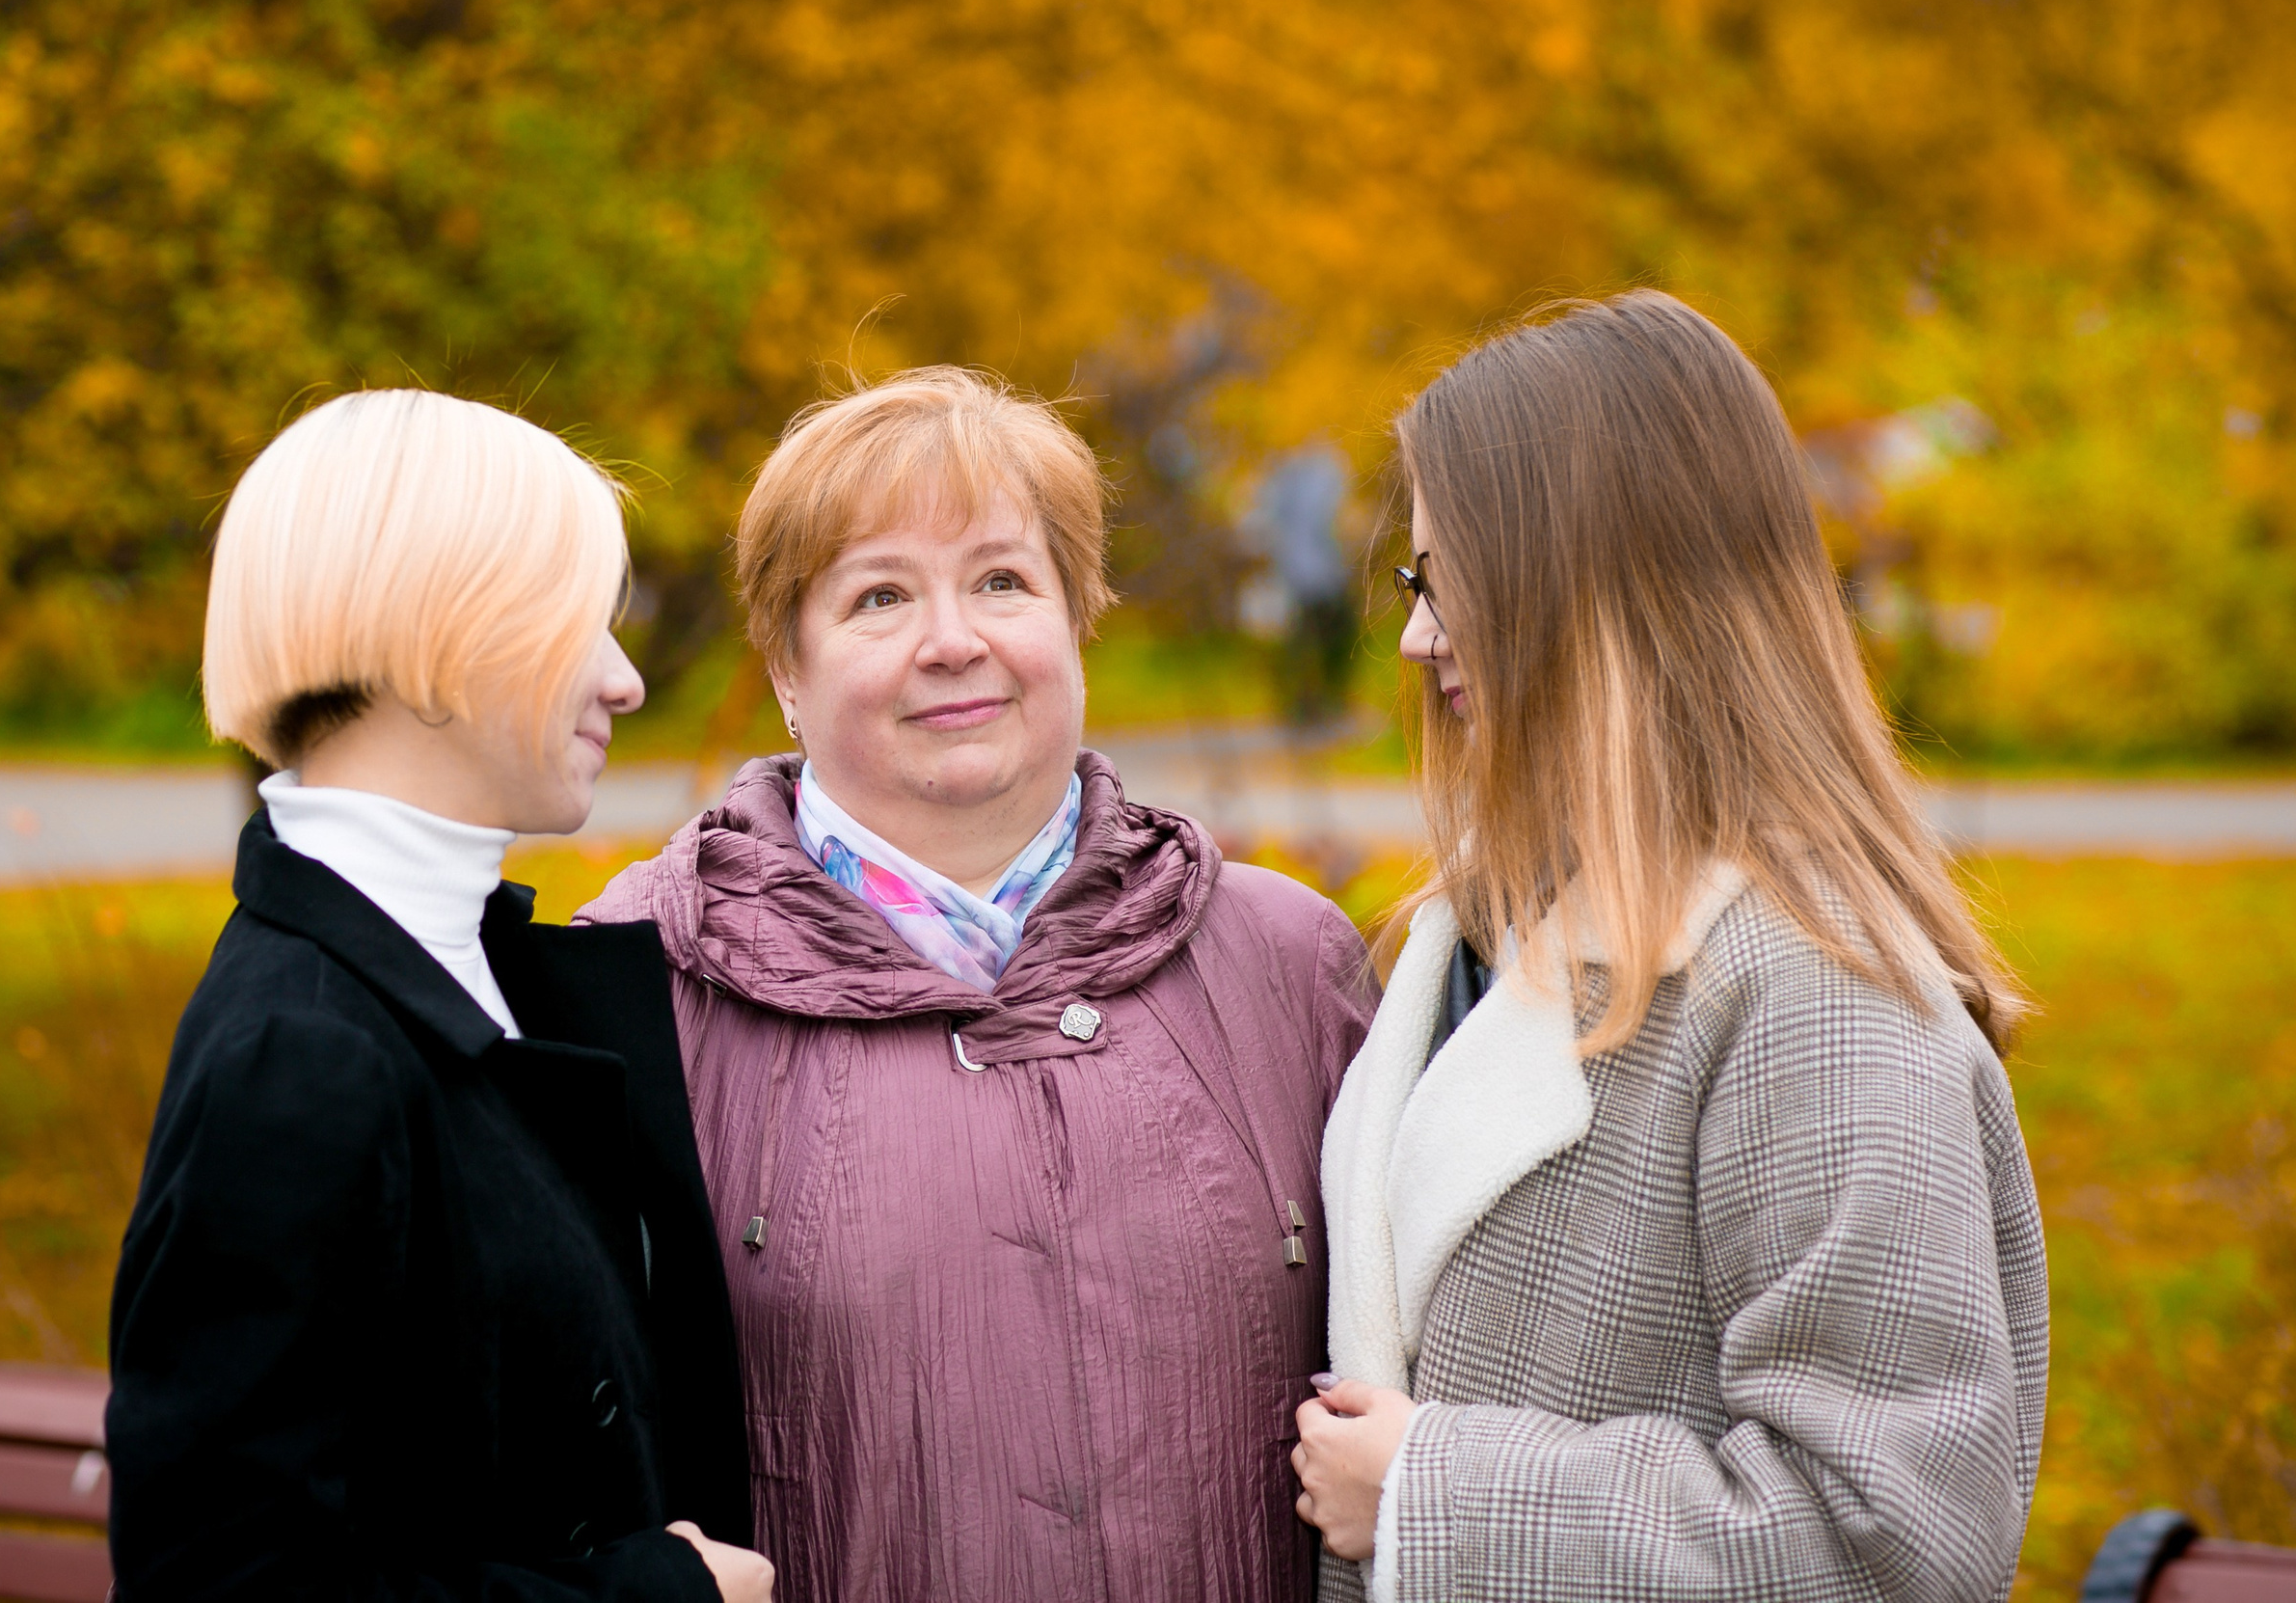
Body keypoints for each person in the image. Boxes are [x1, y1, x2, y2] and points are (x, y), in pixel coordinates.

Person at [576, 367, 1377, 1603]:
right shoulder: (630, 985)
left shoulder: (1288, 961)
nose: (953, 641)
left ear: (1078, 620)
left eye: (1002, 580)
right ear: (785, 669)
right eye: (879, 596)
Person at [1295, 292, 2049, 1603]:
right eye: (1416, 583)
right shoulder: (1473, 934)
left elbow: (1894, 1539)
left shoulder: (1823, 998)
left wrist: (1430, 1493)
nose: (1416, 636)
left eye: (1453, 580)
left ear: (1596, 590)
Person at [106, 389, 772, 1603]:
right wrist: (657, 1596)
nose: (624, 680)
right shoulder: (301, 1054)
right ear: (448, 630)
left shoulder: (461, 973)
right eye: (585, 623)